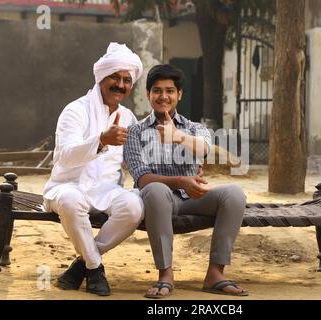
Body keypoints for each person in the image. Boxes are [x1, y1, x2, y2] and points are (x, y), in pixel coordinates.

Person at [125, 64, 248, 299]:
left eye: (170, 91)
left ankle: (215, 273)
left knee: (234, 193)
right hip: (158, 201)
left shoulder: (194, 128)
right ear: (148, 94)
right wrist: (181, 181)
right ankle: (165, 274)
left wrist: (178, 136)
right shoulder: (135, 132)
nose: (164, 96)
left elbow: (203, 148)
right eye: (157, 90)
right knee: (155, 190)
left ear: (179, 94)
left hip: (194, 198)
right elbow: (141, 178)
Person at [43, 43, 144, 296]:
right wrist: (101, 140)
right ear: (101, 77)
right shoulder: (75, 111)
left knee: (134, 206)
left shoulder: (128, 117)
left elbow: (137, 159)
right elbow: (65, 156)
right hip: (67, 186)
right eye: (115, 77)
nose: (121, 85)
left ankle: (81, 265)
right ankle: (95, 269)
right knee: (71, 200)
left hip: (107, 190)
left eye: (126, 80)